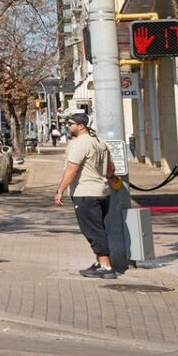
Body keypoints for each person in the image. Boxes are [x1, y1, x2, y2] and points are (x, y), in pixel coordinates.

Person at [54, 113, 117, 278]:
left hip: (86, 193)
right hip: (103, 192)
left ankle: (106, 266)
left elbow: (72, 169)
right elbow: (111, 169)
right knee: (98, 227)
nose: (67, 126)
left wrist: (60, 190)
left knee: (93, 230)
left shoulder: (78, 144)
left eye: (70, 123)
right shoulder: (99, 142)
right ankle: (99, 263)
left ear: (81, 126)